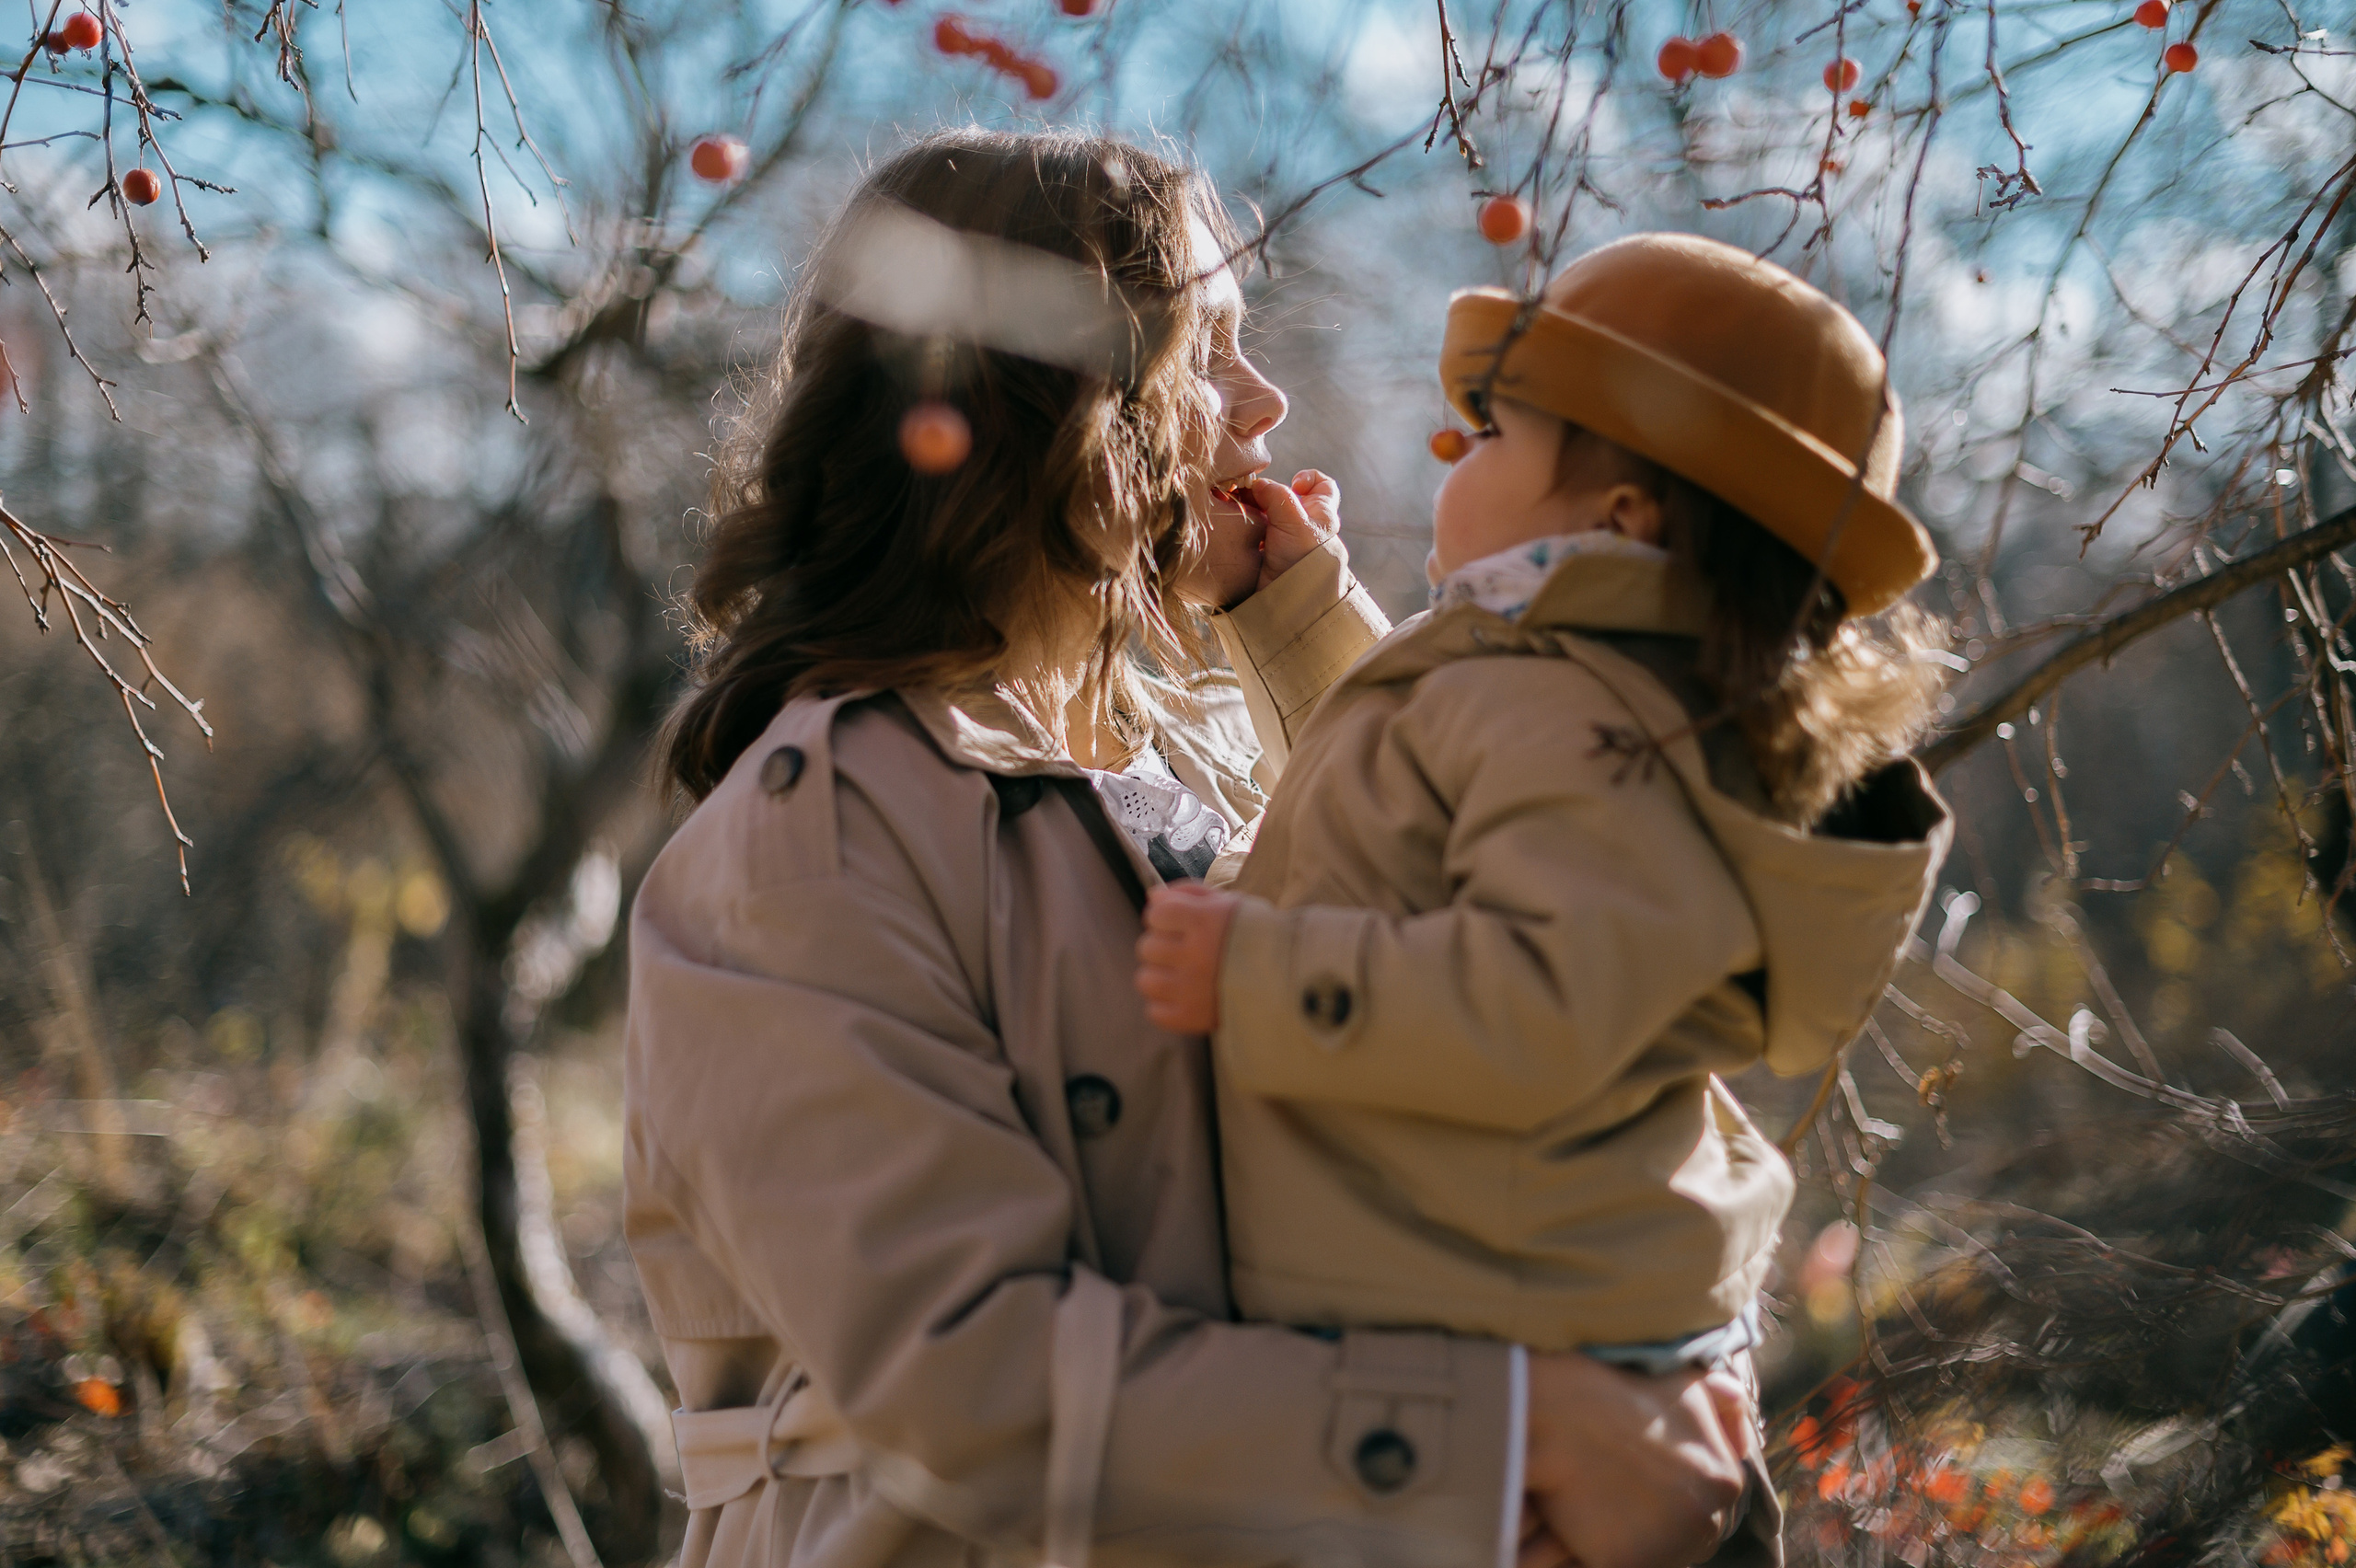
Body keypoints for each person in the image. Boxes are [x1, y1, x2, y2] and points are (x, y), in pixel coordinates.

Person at [626, 133, 1751, 1568]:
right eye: (1207, 351)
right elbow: (978, 1378)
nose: (1267, 401)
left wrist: (1298, 640)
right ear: (1060, 410)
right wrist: (1515, 1439)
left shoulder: (1185, 753)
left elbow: (1509, 941)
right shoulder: (803, 851)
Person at [1134, 233, 1959, 1565]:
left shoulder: (1580, 722)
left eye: (1491, 441)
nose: (1449, 460)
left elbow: (1548, 998)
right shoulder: (1580, 694)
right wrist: (1292, 613)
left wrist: (1269, 983)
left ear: (1625, 515)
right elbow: (1397, 830)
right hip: (1527, 1320)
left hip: (1527, 1374)